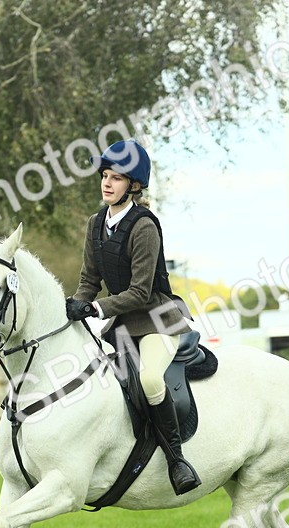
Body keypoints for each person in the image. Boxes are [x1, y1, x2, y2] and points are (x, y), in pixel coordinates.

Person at [65, 139, 200, 495]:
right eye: (105, 176)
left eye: (117, 178)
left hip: (156, 320)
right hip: (122, 326)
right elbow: (89, 280)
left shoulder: (144, 226)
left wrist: (97, 308)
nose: (107, 183)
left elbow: (141, 292)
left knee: (151, 379)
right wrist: (76, 305)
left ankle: (177, 460)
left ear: (134, 186)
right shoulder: (96, 224)